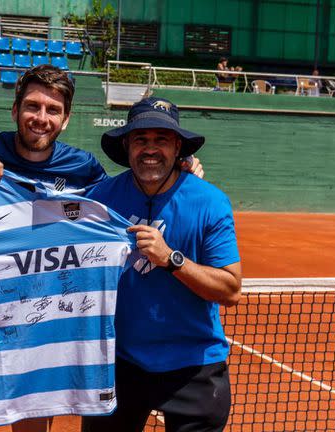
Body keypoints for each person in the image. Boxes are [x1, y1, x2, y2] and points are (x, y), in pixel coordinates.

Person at [0, 65, 203, 432]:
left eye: (53, 110)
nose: (41, 118)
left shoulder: (83, 170)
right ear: (15, 110)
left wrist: (179, 165)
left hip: (42, 330)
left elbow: (130, 189)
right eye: (32, 106)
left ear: (65, 120)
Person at [81, 97, 242, 432]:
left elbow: (230, 289)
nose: (150, 149)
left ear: (178, 147)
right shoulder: (100, 199)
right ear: (126, 145)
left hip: (194, 367)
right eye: (140, 139)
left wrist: (172, 259)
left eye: (161, 140)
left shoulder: (210, 202)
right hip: (120, 363)